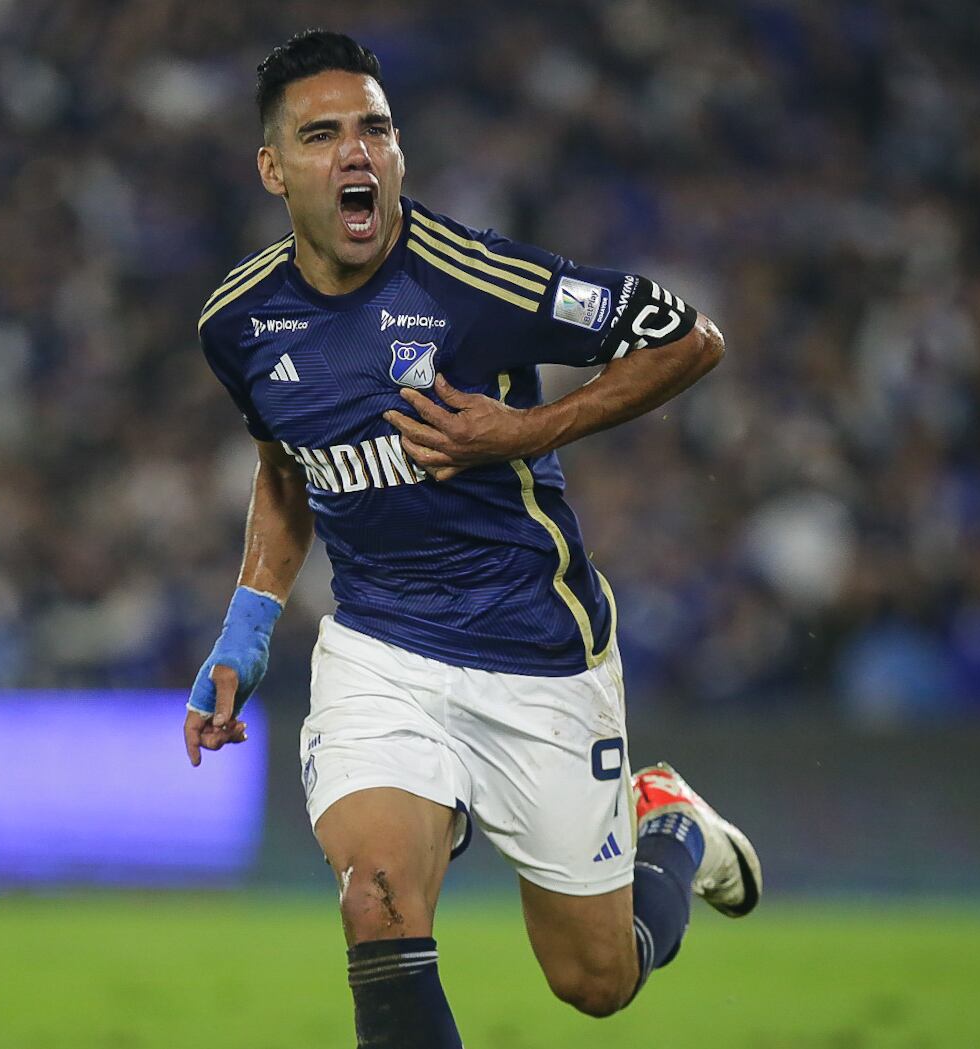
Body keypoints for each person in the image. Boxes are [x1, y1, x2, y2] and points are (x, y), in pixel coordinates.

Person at [185, 29, 760, 1048]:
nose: (356, 152)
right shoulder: (239, 324)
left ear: (398, 152)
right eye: (322, 135)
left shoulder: (473, 279)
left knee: (595, 979)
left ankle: (670, 825)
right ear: (273, 170)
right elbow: (285, 469)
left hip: (535, 650)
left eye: (375, 129)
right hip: (381, 652)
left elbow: (688, 336)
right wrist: (245, 630)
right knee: (374, 899)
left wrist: (528, 429)